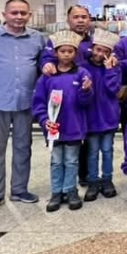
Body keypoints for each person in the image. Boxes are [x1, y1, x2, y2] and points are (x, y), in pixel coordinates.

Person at [0, 0, 47, 215]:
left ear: (29, 15)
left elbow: (44, 68)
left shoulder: (37, 38)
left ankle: (19, 190)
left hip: (25, 102)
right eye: (14, 12)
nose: (18, 17)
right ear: (4, 14)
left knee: (23, 148)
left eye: (23, 13)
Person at [32, 30, 93, 212]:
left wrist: (85, 91)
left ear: (76, 53)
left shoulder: (82, 73)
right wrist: (44, 121)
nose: (66, 54)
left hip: (74, 126)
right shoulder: (47, 77)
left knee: (72, 160)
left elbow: (85, 103)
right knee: (57, 161)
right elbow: (39, 103)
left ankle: (71, 190)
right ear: (56, 53)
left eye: (70, 51)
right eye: (62, 51)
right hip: (54, 128)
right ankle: (56, 192)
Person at [83, 29, 122, 201]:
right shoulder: (82, 68)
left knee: (107, 150)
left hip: (109, 116)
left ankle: (107, 179)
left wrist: (109, 71)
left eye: (105, 51)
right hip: (91, 117)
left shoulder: (114, 67)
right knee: (92, 152)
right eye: (98, 50)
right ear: (92, 48)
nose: (101, 54)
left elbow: (113, 89)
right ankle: (92, 181)